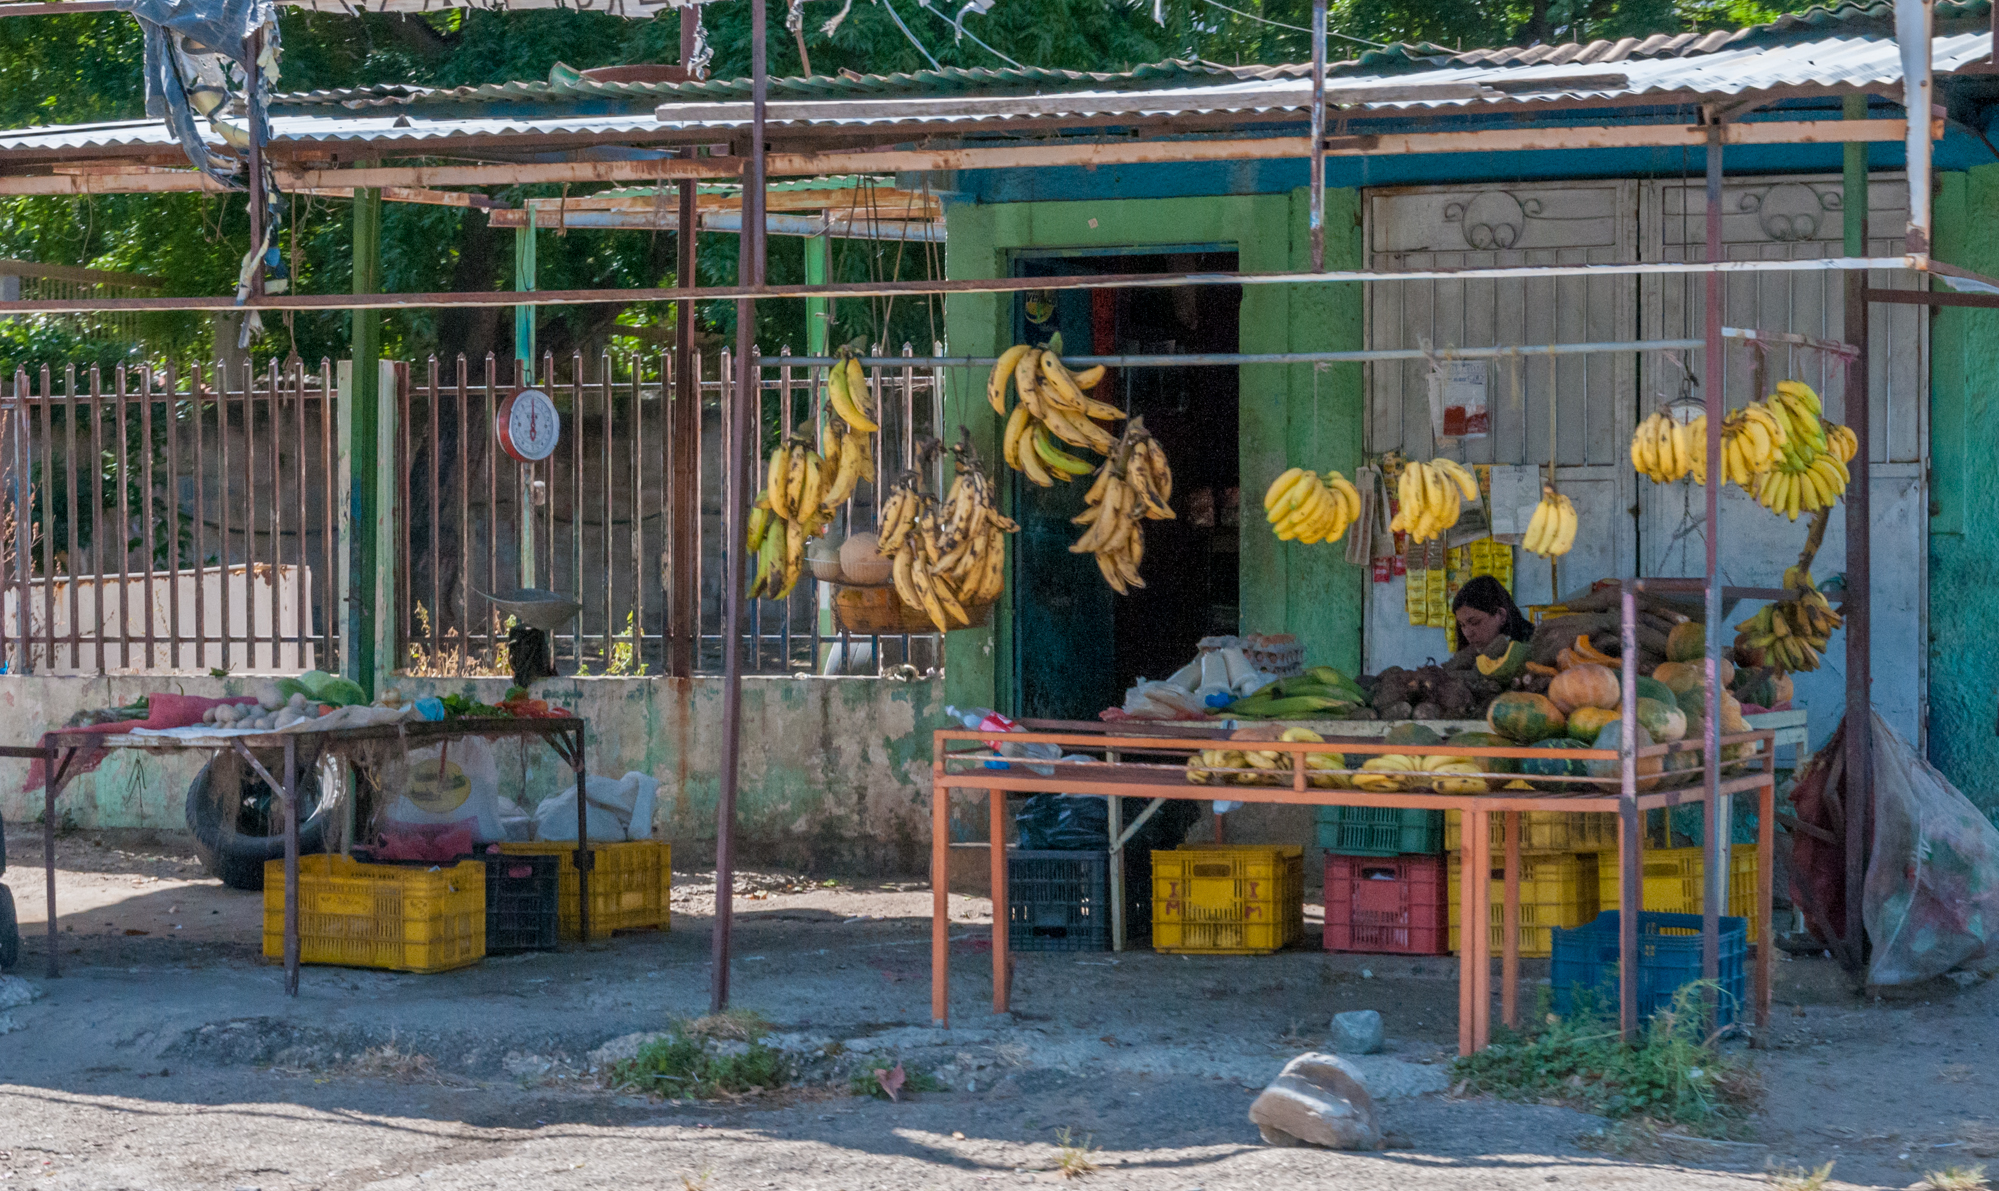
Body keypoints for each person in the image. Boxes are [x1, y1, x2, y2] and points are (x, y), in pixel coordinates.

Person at [1451, 575, 1534, 652]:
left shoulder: (1535, 649)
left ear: (1501, 615)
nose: (1467, 633)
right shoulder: (1472, 655)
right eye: (1462, 625)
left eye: (1475, 622)